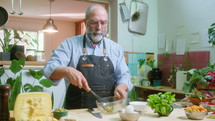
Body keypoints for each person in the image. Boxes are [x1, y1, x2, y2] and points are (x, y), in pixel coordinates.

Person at [43, 4, 133, 109]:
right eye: (94, 22)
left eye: (103, 23)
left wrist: (122, 87)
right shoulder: (70, 44)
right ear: (85, 23)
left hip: (107, 110)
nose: (99, 27)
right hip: (77, 111)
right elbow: (48, 69)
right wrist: (67, 70)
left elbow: (124, 75)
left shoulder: (115, 48)